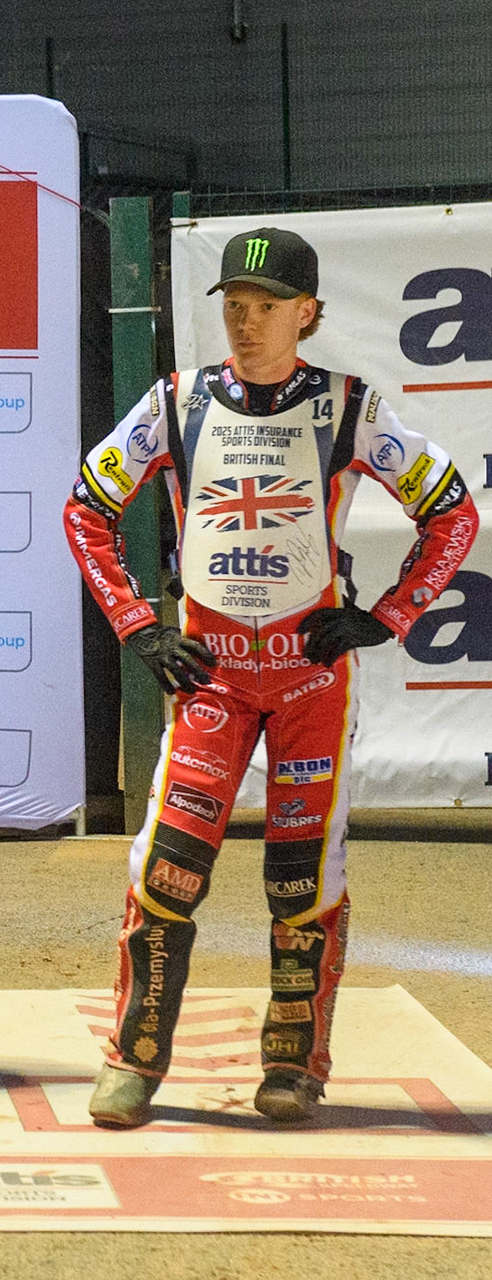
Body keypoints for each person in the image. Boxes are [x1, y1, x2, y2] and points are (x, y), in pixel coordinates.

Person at [66, 226, 479, 1127]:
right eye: (234, 307)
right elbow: (84, 508)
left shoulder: (350, 406)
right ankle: (133, 1059)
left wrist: (389, 615)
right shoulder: (175, 400)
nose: (246, 325)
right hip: (212, 681)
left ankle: (294, 1067)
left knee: (301, 878)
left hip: (308, 685)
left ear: (309, 313)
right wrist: (138, 626)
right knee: (167, 868)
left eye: (266, 308)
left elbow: (452, 515)